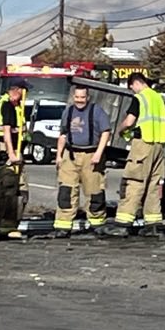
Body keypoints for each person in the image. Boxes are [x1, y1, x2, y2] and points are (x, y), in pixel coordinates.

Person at [108, 70, 165, 234]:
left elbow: (129, 121)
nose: (132, 91)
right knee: (153, 185)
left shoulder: (140, 98)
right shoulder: (158, 98)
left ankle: (123, 223)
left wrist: (120, 131)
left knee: (134, 181)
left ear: (136, 83)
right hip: (159, 146)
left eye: (131, 88)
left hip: (143, 144)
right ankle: (153, 223)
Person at [55, 84, 110, 234]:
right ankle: (63, 225)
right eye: (77, 97)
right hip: (70, 155)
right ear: (73, 97)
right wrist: (59, 156)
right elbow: (63, 134)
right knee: (66, 191)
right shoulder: (69, 111)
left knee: (94, 191)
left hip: (91, 155)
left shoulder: (96, 111)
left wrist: (99, 153)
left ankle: (97, 223)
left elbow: (106, 132)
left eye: (82, 98)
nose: (79, 101)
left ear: (88, 97)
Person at [0, 83, 31, 238]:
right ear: (15, 91)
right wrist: (11, 154)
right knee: (11, 187)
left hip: (16, 148)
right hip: (9, 150)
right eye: (22, 91)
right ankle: (6, 225)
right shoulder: (7, 105)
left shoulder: (15, 105)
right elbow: (7, 131)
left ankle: (9, 224)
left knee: (16, 188)